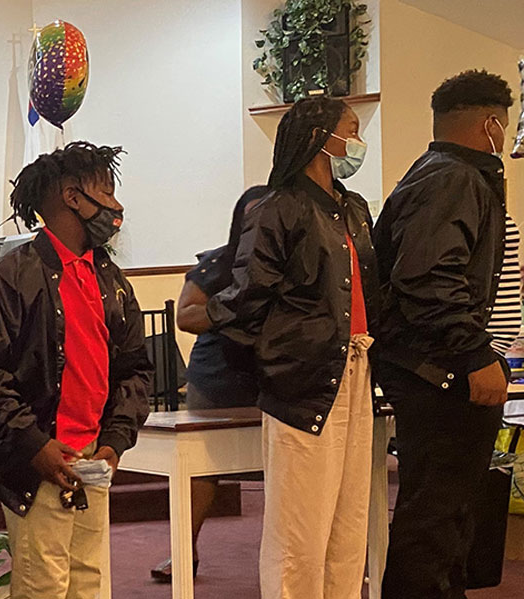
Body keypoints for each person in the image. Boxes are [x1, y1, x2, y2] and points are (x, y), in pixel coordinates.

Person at [0, 142, 152, 599]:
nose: (117, 207)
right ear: (72, 197)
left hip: (93, 457)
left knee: (88, 584)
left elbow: (135, 368)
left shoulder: (109, 279)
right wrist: (33, 444)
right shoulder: (5, 277)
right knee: (43, 587)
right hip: (39, 460)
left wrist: (115, 440)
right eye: (107, 192)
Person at [205, 96, 378, 599]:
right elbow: (248, 297)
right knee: (299, 529)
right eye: (351, 130)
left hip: (356, 367)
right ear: (321, 138)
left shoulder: (354, 207)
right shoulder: (278, 207)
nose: (357, 141)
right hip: (302, 379)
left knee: (349, 522)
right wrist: (276, 364)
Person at [374, 70, 514, 599]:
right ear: (490, 123)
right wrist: (473, 352)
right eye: (506, 124)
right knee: (435, 514)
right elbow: (428, 275)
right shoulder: (452, 178)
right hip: (438, 367)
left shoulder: (448, 174)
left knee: (452, 513)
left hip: (438, 362)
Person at [150, 185, 267, 582]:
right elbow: (186, 316)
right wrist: (229, 310)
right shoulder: (218, 262)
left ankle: (285, 551)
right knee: (201, 466)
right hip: (218, 377)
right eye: (251, 216)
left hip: (272, 375)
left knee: (287, 464)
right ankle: (184, 550)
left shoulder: (292, 263)